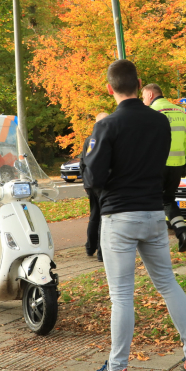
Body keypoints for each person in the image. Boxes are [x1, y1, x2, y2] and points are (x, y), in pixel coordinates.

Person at [82, 60, 186, 371]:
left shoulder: (107, 126)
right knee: (168, 284)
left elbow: (93, 179)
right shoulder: (161, 122)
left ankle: (117, 370)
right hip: (153, 213)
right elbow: (167, 167)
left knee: (122, 295)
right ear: (139, 84)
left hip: (119, 217)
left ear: (110, 88)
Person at [141, 84, 186, 252]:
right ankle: (182, 231)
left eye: (143, 97)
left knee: (150, 201)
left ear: (150, 95)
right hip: (177, 165)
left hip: (158, 165)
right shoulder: (180, 112)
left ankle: (153, 242)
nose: (143, 101)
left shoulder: (152, 112)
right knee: (168, 200)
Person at [79, 112, 109, 262]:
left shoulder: (88, 140)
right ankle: (102, 252)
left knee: (94, 214)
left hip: (90, 183)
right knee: (104, 216)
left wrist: (85, 182)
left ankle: (90, 247)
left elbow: (82, 162)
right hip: (103, 183)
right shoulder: (107, 138)